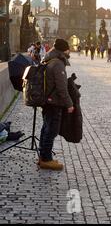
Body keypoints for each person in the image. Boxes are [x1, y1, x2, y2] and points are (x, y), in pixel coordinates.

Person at [38, 38, 74, 171]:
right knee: (51, 130)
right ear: (64, 50)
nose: (69, 51)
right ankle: (46, 159)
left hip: (47, 100)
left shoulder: (49, 59)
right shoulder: (58, 63)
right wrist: (69, 104)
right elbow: (61, 87)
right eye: (68, 49)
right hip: (54, 101)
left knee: (46, 128)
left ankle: (43, 156)